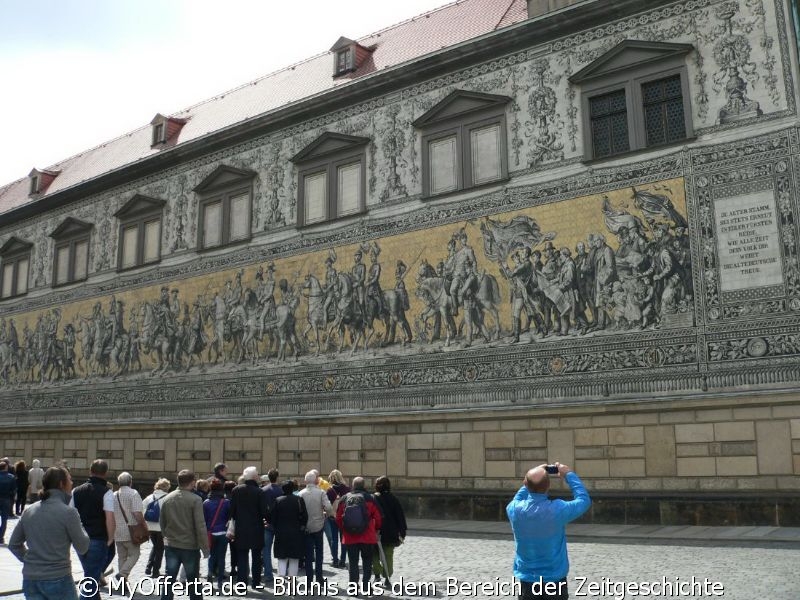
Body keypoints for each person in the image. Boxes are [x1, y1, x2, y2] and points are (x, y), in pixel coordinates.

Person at [506, 463, 591, 600]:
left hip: (528, 580)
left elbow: (519, 497)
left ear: (525, 484)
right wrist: (568, 474)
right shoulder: (557, 509)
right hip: (554, 578)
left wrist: (531, 479)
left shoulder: (514, 509)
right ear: (548, 487)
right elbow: (583, 500)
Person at [9, 466, 90, 600]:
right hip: (59, 577)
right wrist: (80, 523)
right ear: (61, 484)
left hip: (31, 578)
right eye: (70, 480)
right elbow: (83, 547)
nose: (72, 483)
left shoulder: (29, 511)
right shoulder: (68, 513)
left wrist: (30, 561)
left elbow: (13, 544)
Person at [159, 469, 209, 600]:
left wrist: (167, 537)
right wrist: (205, 548)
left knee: (169, 579)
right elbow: (200, 526)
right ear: (193, 482)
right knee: (193, 581)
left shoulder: (167, 498)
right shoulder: (196, 499)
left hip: (171, 544)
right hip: (190, 546)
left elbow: (162, 522)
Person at [71, 459, 116, 600]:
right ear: (105, 473)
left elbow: (71, 515)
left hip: (80, 539)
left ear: (90, 471)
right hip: (98, 539)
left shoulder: (76, 491)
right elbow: (110, 518)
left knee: (91, 574)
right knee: (91, 579)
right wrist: (110, 538)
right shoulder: (107, 493)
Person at [336, 476, 382, 589]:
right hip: (368, 536)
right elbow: (379, 517)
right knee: (367, 561)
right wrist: (376, 529)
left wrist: (344, 529)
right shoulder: (370, 498)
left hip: (350, 537)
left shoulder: (344, 498)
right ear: (364, 486)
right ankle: (366, 585)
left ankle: (353, 586)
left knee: (352, 562)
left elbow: (338, 518)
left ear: (353, 486)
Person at [228, 466, 268, 590]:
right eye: (257, 474)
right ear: (254, 477)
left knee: (242, 556)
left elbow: (232, 511)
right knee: (256, 556)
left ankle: (241, 583)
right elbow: (264, 512)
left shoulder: (236, 490)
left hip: (241, 528)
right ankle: (256, 582)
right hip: (256, 528)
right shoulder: (259, 492)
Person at [112, 472, 145, 593]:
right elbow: (137, 513)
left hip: (118, 531)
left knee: (122, 557)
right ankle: (122, 574)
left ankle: (123, 584)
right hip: (131, 531)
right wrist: (143, 524)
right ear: (131, 482)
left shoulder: (114, 495)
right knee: (135, 555)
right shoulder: (134, 493)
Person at [299, 470, 333, 584]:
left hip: (306, 528)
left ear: (305, 481)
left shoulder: (301, 494)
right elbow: (328, 507)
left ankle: (309, 579)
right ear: (316, 480)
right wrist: (326, 514)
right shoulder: (321, 492)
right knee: (319, 553)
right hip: (319, 525)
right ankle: (319, 577)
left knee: (308, 554)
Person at [372, 476, 407, 585]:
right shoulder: (394, 499)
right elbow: (400, 517)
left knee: (375, 555)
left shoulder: (373, 498)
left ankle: (377, 575)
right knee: (388, 555)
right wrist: (402, 533)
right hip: (390, 533)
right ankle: (387, 577)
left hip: (376, 532)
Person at [271, 480, 307, 577]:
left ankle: (281, 582)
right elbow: (305, 517)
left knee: (282, 559)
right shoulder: (299, 500)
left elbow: (273, 518)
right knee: (294, 560)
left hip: (281, 533)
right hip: (296, 533)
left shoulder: (278, 500)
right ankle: (292, 583)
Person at [203, 479, 230, 590]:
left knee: (211, 556)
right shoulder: (227, 502)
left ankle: (209, 574)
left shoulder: (206, 503)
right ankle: (219, 580)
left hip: (210, 532)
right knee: (221, 557)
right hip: (223, 532)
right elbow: (229, 517)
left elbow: (204, 519)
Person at [143, 478, 171, 578]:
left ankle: (148, 566)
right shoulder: (168, 498)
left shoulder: (149, 497)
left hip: (150, 527)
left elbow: (142, 510)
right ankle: (155, 571)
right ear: (167, 487)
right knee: (160, 549)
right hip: (161, 528)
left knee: (155, 547)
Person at [261, 468, 283, 584]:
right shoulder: (281, 490)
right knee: (281, 551)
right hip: (279, 524)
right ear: (277, 477)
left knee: (266, 550)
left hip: (267, 523)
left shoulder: (263, 490)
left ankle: (268, 574)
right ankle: (282, 574)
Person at [325, 470, 350, 568]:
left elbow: (326, 505)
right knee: (343, 539)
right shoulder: (347, 489)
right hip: (344, 517)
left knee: (334, 539)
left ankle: (335, 560)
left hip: (332, 517)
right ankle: (343, 560)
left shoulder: (330, 490)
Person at [0, 460, 15, 544]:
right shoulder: (11, 477)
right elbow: (13, 490)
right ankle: (1, 537)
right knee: (4, 519)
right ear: (6, 467)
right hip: (6, 499)